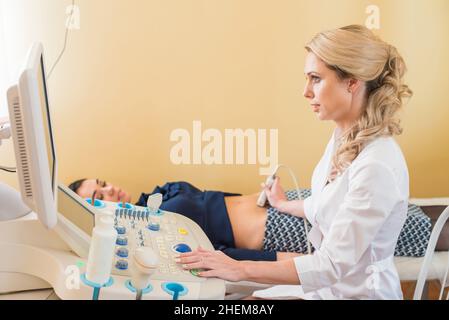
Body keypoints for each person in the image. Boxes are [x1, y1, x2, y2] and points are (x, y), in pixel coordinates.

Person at [174, 25, 413, 300]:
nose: (306, 92)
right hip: (327, 288)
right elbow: (328, 205)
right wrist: (283, 204)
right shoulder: (344, 137)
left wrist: (239, 268)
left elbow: (332, 265)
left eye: (316, 79)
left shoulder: (377, 166)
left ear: (352, 81)